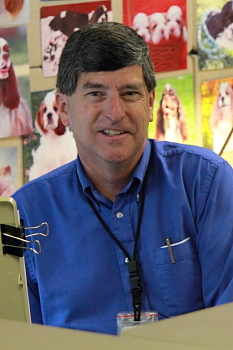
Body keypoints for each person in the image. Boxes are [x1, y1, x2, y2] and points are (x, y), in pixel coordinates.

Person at [13, 21, 233, 335]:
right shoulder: (26, 215)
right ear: (63, 109)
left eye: (130, 93)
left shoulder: (205, 183)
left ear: (151, 101)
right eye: (95, 94)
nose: (115, 112)